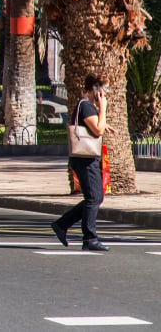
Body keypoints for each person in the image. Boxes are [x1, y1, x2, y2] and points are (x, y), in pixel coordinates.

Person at [51, 72, 117, 251]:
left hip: (86, 159)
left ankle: (62, 225)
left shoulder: (87, 107)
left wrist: (104, 122)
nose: (107, 93)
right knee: (94, 197)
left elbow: (97, 126)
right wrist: (103, 108)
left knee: (95, 197)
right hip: (84, 159)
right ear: (96, 89)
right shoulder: (86, 105)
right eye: (105, 88)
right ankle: (89, 238)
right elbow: (97, 130)